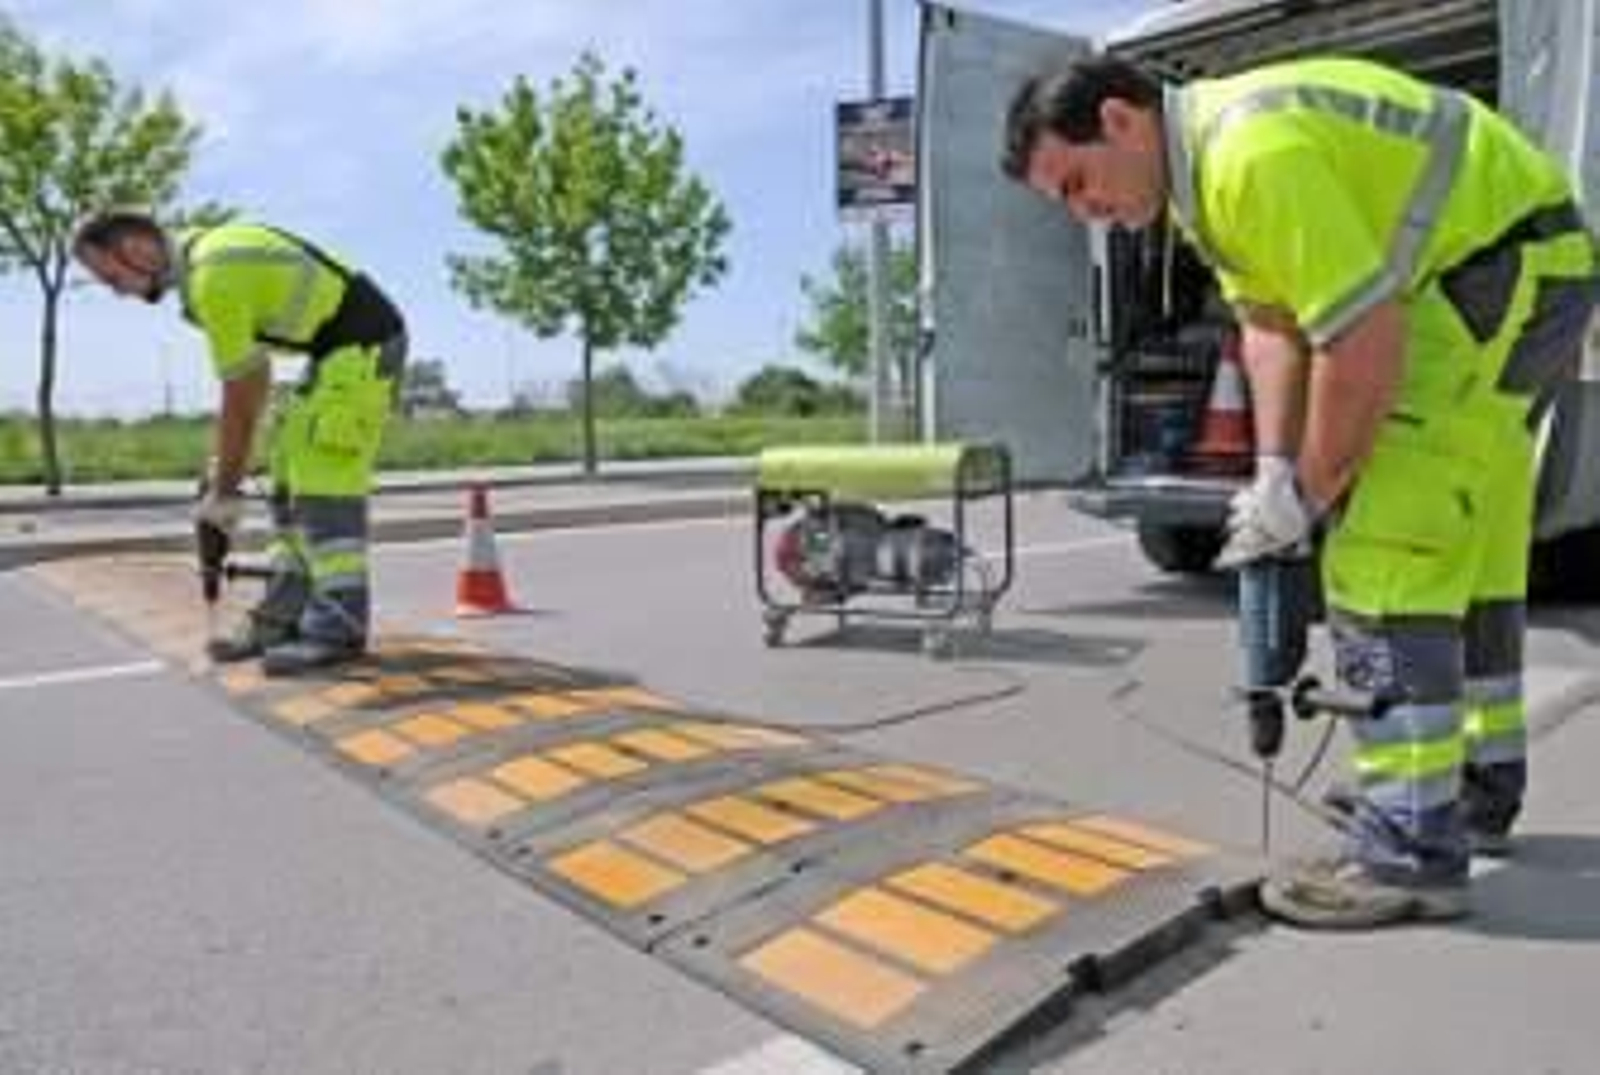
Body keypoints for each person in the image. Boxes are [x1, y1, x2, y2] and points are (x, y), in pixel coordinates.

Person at [1002, 55, 1600, 927]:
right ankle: (1471, 791)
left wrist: (1313, 495)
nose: (1083, 211)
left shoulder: (1247, 156)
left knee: (1386, 547)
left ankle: (1411, 848)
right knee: (1468, 541)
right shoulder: (1208, 179)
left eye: (1077, 182)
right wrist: (1272, 472)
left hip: (1493, 271)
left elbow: (1359, 339)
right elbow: (1271, 326)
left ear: (1122, 120)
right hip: (1517, 261)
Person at [72, 211, 407, 677]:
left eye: (111, 278)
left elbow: (242, 394)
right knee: (289, 482)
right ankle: (282, 616)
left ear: (138, 249)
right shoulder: (207, 261)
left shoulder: (214, 277)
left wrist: (225, 491)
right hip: (334, 351)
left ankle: (339, 627)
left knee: (323, 484)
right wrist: (222, 469)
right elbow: (256, 379)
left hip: (361, 347)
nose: (118, 292)